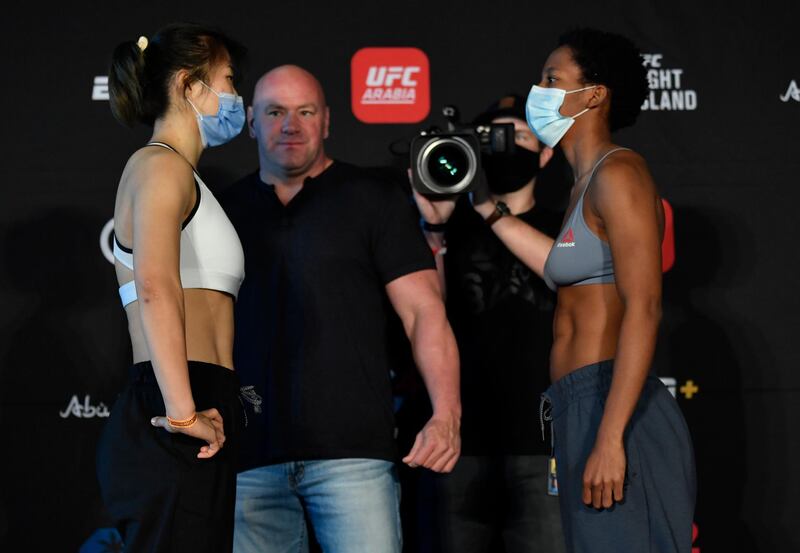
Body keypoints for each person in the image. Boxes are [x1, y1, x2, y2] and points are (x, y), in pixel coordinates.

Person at [434, 28, 696, 553]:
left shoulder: (620, 172)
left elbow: (644, 307)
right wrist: (483, 203)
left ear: (595, 93)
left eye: (553, 79)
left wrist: (610, 436)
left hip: (615, 407)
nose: (540, 91)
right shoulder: (585, 184)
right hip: (577, 407)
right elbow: (555, 264)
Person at [220, 65, 461, 553]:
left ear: (327, 121)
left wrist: (447, 412)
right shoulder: (222, 209)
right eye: (275, 112)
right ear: (251, 121)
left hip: (354, 455)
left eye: (305, 111)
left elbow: (423, 312)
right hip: (250, 456)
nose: (291, 125)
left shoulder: (373, 198)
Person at [95, 22, 248, 553]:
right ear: (189, 84)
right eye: (227, 80)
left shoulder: (180, 172)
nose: (236, 96)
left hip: (200, 401)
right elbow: (156, 287)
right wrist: (183, 413)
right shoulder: (158, 165)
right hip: (176, 405)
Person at [412, 95, 567, 552]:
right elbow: (424, 313)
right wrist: (434, 229)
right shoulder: (448, 226)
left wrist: (486, 207)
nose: (505, 148)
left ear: (545, 152)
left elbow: (565, 273)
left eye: (518, 136)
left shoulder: (566, 224)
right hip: (457, 444)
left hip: (543, 444)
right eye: (492, 139)